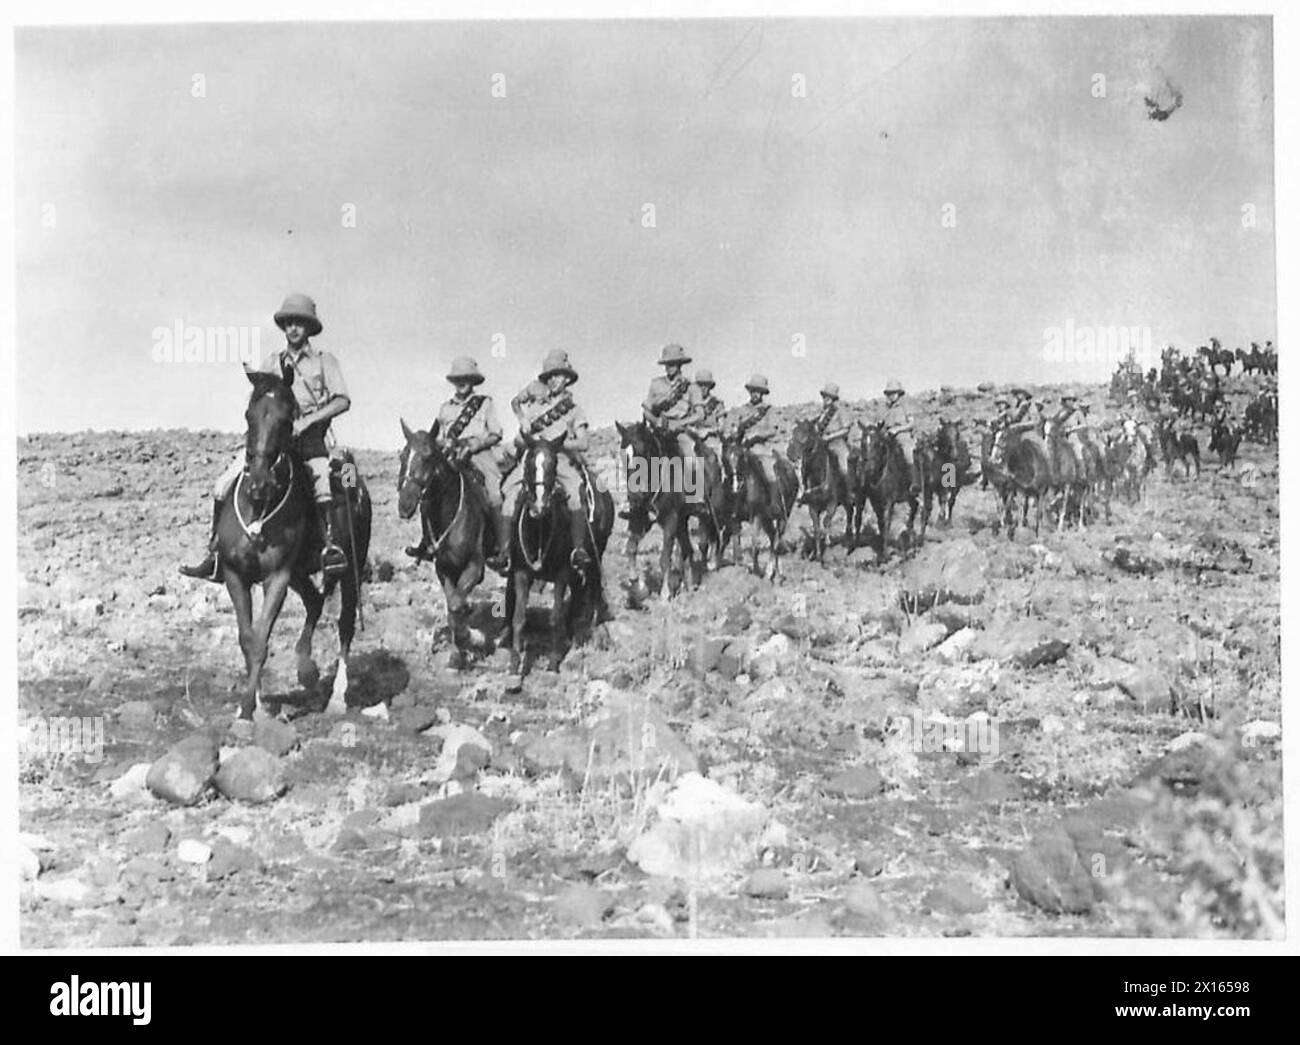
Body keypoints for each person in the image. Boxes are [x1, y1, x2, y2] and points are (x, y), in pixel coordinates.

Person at [180, 293, 348, 581]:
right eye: (289, 323)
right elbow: (259, 402)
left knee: (323, 483)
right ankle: (216, 553)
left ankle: (329, 549)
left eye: (300, 323)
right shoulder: (272, 362)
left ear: (309, 328)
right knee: (223, 486)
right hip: (272, 440)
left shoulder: (324, 361)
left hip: (310, 440)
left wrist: (308, 420)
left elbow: (342, 400)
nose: (294, 329)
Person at [405, 356, 510, 572]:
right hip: (451, 456)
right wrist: (445, 444)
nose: (462, 382)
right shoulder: (445, 409)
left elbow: (496, 433)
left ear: (473, 381)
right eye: (458, 379)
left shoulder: (485, 404)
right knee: (430, 488)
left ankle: (501, 548)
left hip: (479, 455)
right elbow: (439, 438)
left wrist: (474, 445)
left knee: (494, 493)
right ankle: (427, 543)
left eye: (467, 378)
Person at [500, 350, 593, 567]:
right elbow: (519, 439)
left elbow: (584, 443)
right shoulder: (534, 407)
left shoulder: (574, 411)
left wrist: (555, 445)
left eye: (558, 375)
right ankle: (504, 552)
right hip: (532, 459)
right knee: (509, 491)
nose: (553, 380)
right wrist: (524, 429)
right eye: (549, 376)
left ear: (567, 378)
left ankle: (578, 550)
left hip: (558, 459)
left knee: (575, 491)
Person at [642, 343, 703, 459]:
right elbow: (646, 410)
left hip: (680, 431)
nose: (668, 367)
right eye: (666, 364)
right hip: (658, 429)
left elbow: (700, 414)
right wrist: (657, 421)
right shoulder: (656, 383)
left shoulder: (691, 387)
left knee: (690, 457)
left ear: (680, 364)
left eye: (672, 363)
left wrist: (680, 423)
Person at [725, 374, 782, 485]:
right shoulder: (742, 410)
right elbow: (733, 427)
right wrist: (733, 431)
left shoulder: (768, 410)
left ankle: (776, 501)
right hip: (742, 448)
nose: (755, 394)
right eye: (753, 391)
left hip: (762, 448)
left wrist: (757, 434)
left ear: (762, 393)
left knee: (770, 474)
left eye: (758, 391)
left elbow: (773, 431)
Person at [881, 379, 921, 495]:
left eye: (894, 393)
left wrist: (897, 429)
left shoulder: (905, 406)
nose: (891, 396)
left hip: (903, 436)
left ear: (899, 393)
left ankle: (914, 482)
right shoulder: (886, 408)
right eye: (889, 393)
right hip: (888, 436)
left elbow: (912, 423)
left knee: (907, 452)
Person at [812, 381, 853, 480]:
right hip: (822, 443)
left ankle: (848, 489)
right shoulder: (823, 412)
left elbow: (846, 429)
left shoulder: (840, 410)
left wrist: (831, 436)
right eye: (824, 396)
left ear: (833, 398)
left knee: (844, 466)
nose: (825, 399)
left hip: (837, 442)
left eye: (828, 396)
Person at [693, 368, 726, 461]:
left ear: (710, 387)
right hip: (694, 440)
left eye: (705, 385)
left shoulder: (717, 404)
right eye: (700, 385)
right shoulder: (691, 404)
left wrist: (708, 431)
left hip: (711, 441)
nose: (702, 388)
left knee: (719, 460)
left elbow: (722, 426)